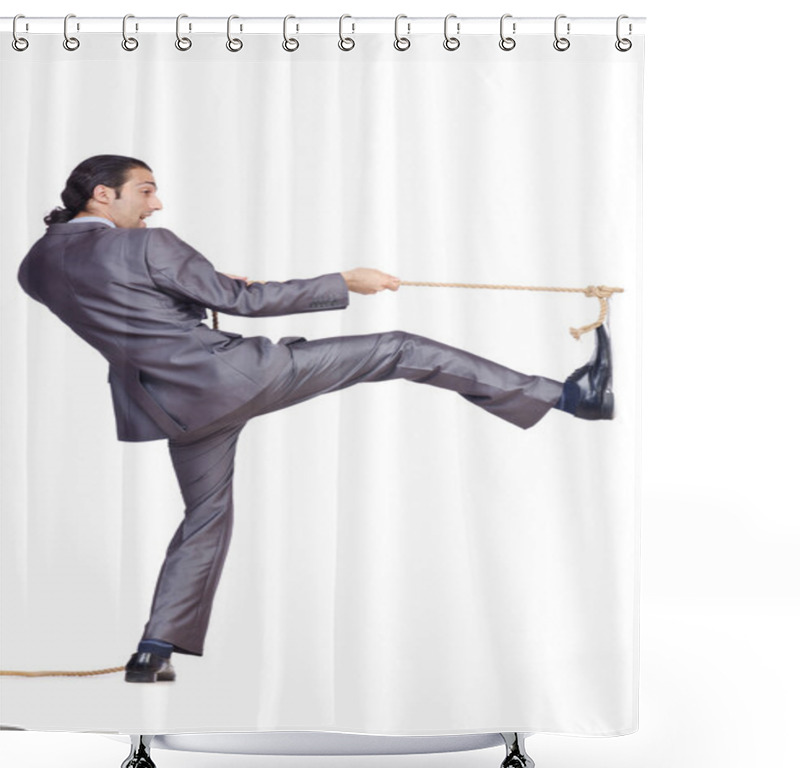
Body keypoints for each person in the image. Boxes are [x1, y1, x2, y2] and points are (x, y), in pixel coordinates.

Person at [17, 155, 613, 684]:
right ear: (103, 194)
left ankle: (154, 650)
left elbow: (123, 309)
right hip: (231, 378)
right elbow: (244, 303)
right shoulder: (150, 243)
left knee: (204, 517)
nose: (158, 202)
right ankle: (567, 397)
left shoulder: (36, 265)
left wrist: (202, 292)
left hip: (168, 406)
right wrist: (344, 282)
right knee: (400, 348)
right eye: (145, 190)